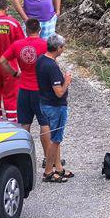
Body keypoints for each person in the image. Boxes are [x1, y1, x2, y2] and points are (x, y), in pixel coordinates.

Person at [0, 18, 50, 157]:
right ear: (39, 29)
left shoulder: (17, 45)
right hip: (40, 90)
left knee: (24, 124)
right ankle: (48, 158)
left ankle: (24, 156)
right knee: (45, 124)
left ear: (26, 30)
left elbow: (2, 61)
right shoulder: (45, 45)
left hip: (23, 89)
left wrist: (15, 73)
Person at [36, 34, 73, 183]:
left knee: (55, 139)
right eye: (62, 47)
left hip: (44, 103)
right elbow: (59, 92)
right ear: (58, 48)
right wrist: (67, 81)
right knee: (55, 140)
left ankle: (58, 168)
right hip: (55, 106)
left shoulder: (41, 60)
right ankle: (48, 172)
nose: (63, 49)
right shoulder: (51, 66)